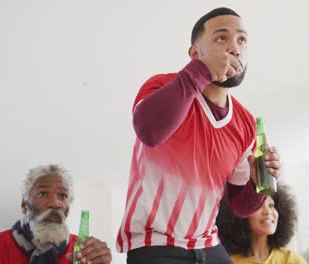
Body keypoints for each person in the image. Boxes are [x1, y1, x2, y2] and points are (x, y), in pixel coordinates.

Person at [116, 7, 282, 263]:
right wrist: (201, 70)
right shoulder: (160, 86)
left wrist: (258, 183)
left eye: (241, 40)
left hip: (208, 242)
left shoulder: (246, 123)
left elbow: (241, 206)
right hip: (154, 241)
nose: (234, 48)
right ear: (195, 54)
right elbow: (149, 132)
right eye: (221, 38)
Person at [0, 164, 112, 264]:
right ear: (24, 204)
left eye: (63, 196)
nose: (55, 203)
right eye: (43, 194)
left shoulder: (84, 252)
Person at [216, 183, 307, 263]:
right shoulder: (229, 262)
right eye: (258, 206)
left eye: (271, 205)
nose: (268, 211)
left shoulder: (291, 261)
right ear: (240, 213)